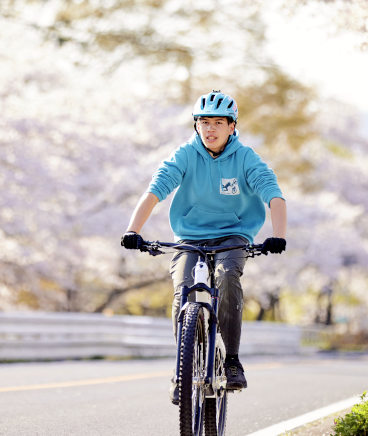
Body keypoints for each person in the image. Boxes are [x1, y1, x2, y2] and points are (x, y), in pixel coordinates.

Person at [120, 90, 287, 403]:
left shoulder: (246, 158)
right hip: (190, 237)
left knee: (226, 276)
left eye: (218, 122)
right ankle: (181, 370)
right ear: (196, 126)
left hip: (233, 235)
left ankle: (233, 361)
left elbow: (274, 194)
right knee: (182, 287)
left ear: (232, 127)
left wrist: (279, 234)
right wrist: (133, 230)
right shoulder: (184, 155)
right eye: (204, 122)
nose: (210, 128)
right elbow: (155, 190)